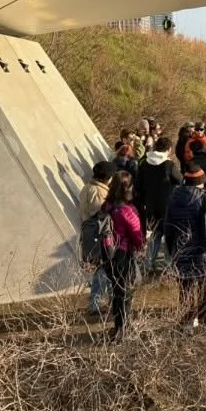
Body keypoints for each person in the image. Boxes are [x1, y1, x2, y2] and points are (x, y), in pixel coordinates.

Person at [165, 161, 206, 335]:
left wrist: (171, 248)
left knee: (186, 288)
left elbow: (168, 226)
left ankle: (187, 322)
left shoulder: (173, 197)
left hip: (181, 248)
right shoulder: (204, 199)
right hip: (203, 249)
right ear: (200, 182)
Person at [102, 171, 144, 343]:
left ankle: (119, 326)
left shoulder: (107, 206)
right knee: (125, 292)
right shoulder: (127, 210)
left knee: (117, 292)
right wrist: (142, 246)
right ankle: (123, 329)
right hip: (123, 254)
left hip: (108, 253)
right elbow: (137, 237)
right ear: (127, 188)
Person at [136, 137, 183, 274]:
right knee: (169, 235)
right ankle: (168, 266)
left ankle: (149, 263)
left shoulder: (144, 163)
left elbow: (138, 185)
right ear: (168, 149)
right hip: (167, 205)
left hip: (150, 205)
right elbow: (180, 180)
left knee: (155, 234)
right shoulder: (169, 165)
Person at [78, 160, 116, 315]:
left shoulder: (87, 188)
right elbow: (103, 216)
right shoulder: (99, 192)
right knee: (104, 268)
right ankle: (95, 303)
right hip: (99, 236)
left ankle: (102, 301)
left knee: (103, 268)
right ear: (107, 177)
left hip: (90, 233)